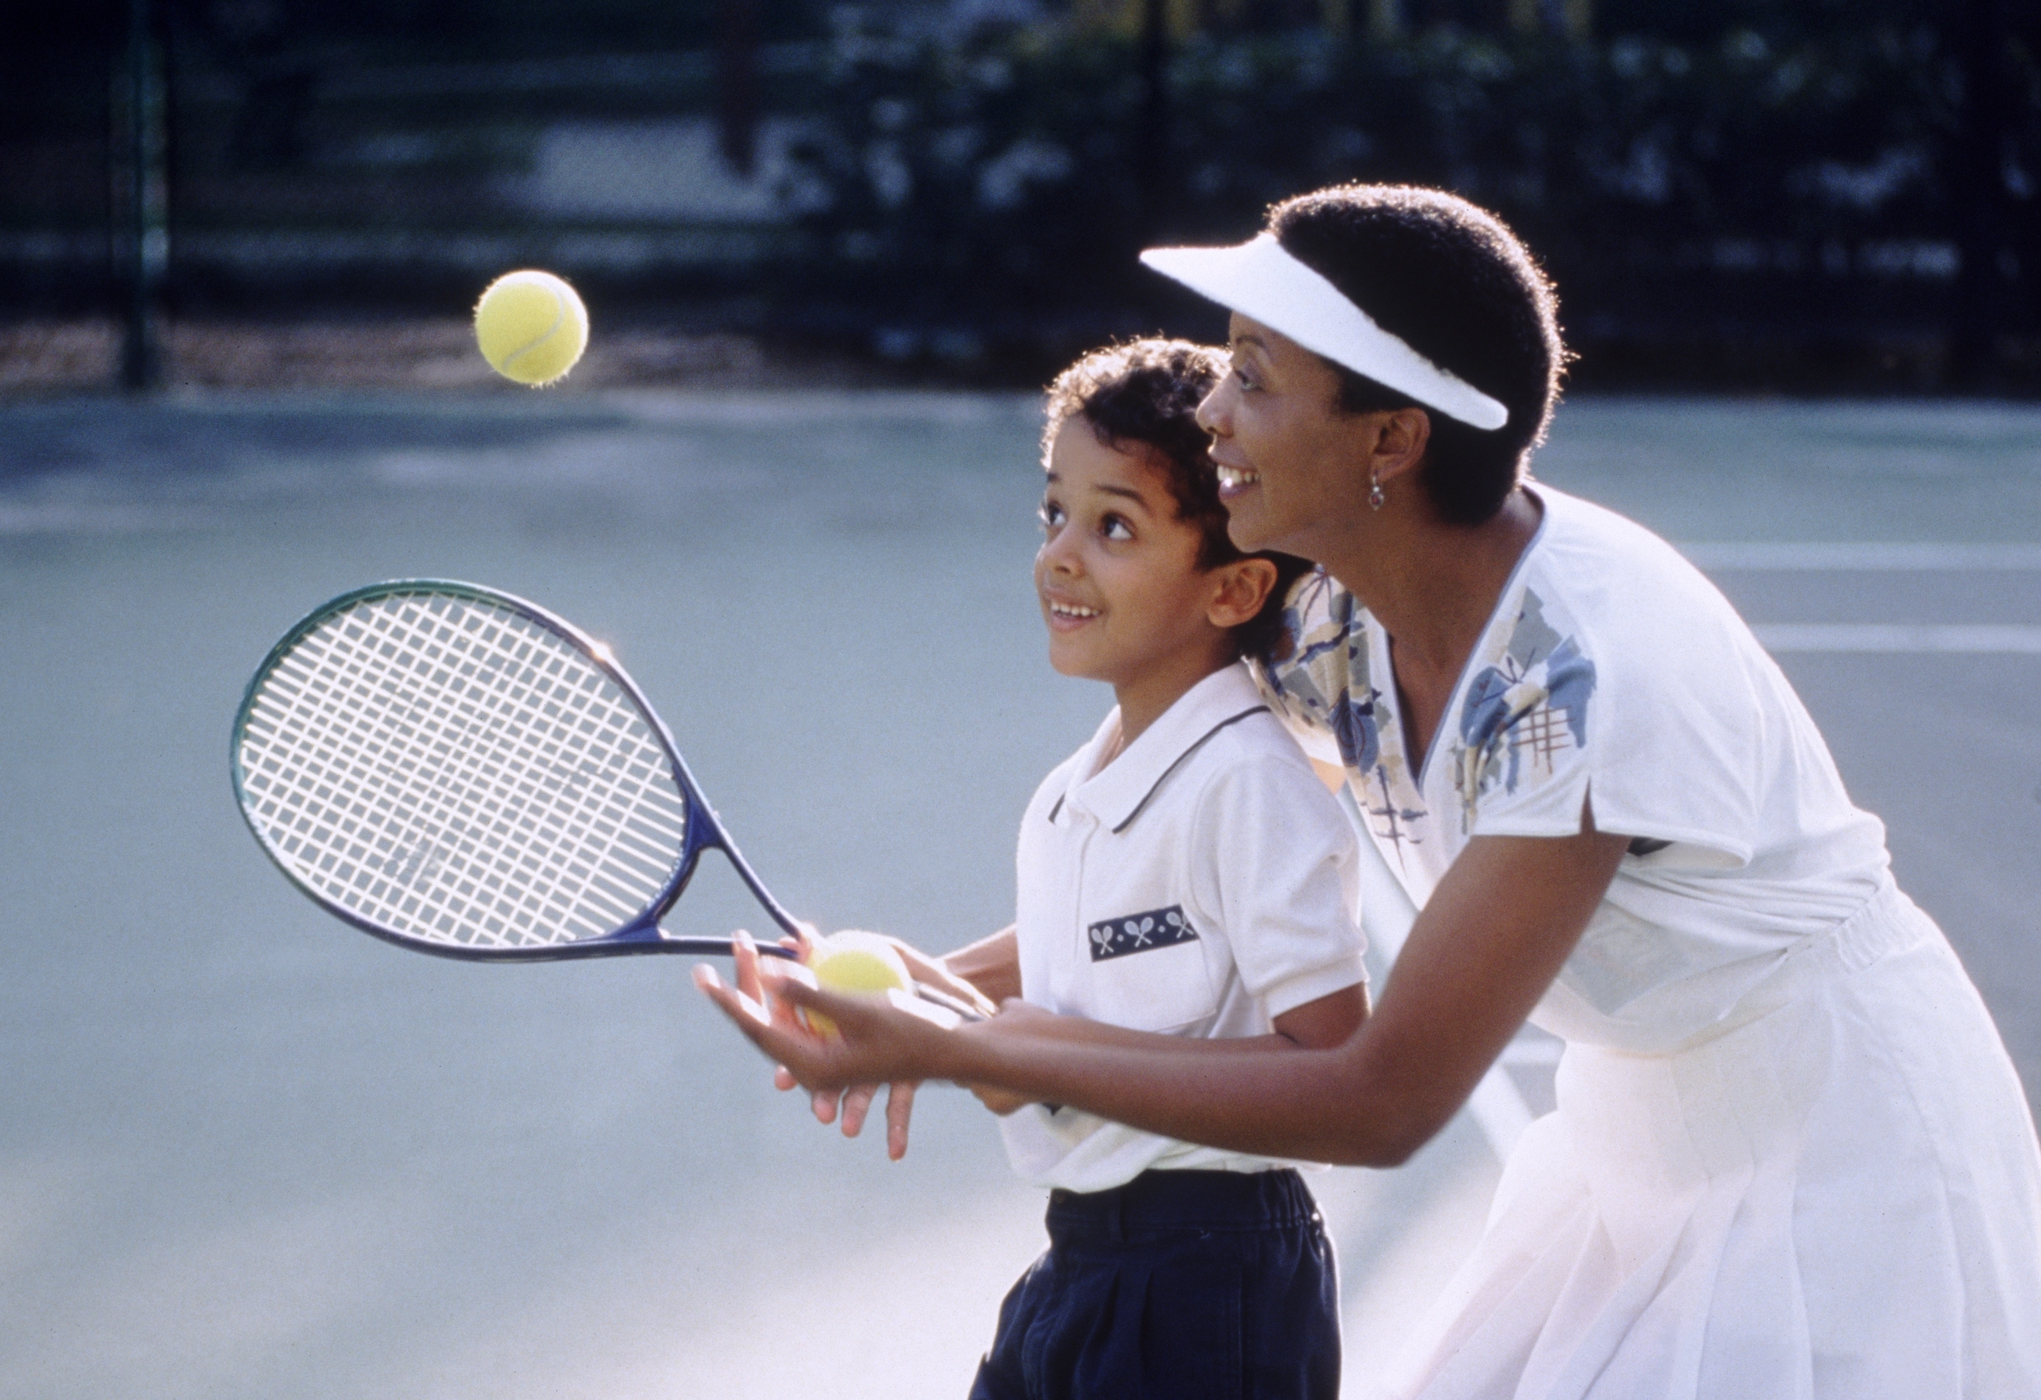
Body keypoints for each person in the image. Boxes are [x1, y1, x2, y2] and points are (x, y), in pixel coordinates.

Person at [701, 184, 2041, 1399]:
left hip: (1843, 1157)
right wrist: (937, 990)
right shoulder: (1330, 623)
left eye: (1257, 380)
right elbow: (1168, 885)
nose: (1214, 413)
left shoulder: (1580, 681)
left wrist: (965, 1049)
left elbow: (1381, 1095)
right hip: (1638, 1135)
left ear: (1389, 438)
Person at [700, 337, 1369, 1400]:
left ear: (1233, 585)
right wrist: (917, 1008)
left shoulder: (1246, 780)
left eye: (1114, 525)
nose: (1059, 554)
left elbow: (1334, 1068)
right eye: (1053, 511)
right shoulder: (1083, 781)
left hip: (1211, 1276)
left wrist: (1001, 1051)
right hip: (1086, 1259)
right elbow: (1108, 931)